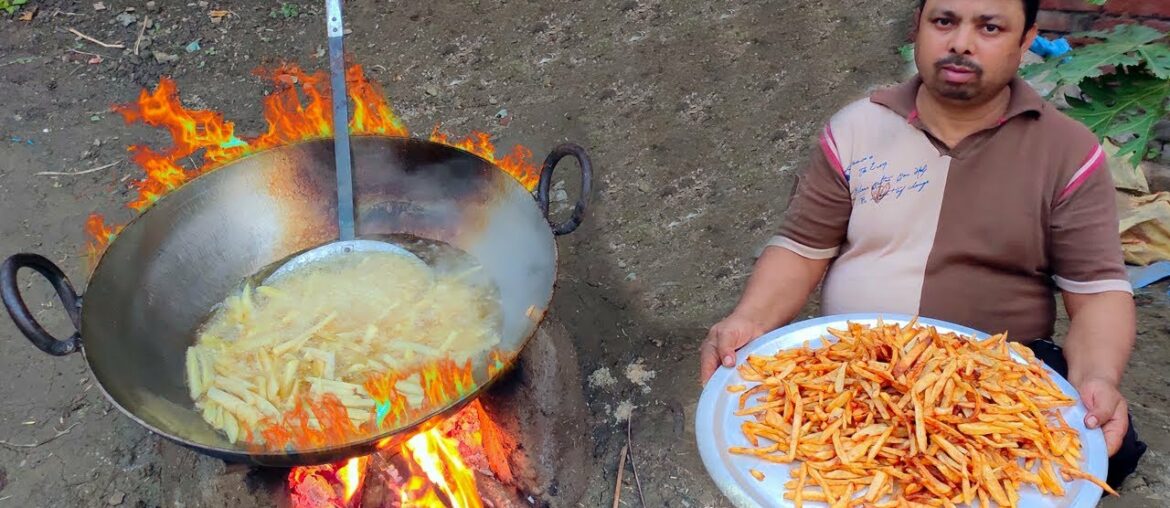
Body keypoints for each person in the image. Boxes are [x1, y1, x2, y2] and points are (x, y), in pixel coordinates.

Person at [698, 0, 1146, 490]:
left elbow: (1098, 291)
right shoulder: (855, 127)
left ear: (1025, 40)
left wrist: (1097, 377)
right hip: (849, 366)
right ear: (918, 27)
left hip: (992, 388)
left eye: (990, 27)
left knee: (1101, 452)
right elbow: (802, 247)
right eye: (944, 21)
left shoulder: (1068, 151)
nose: (960, 43)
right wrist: (750, 318)